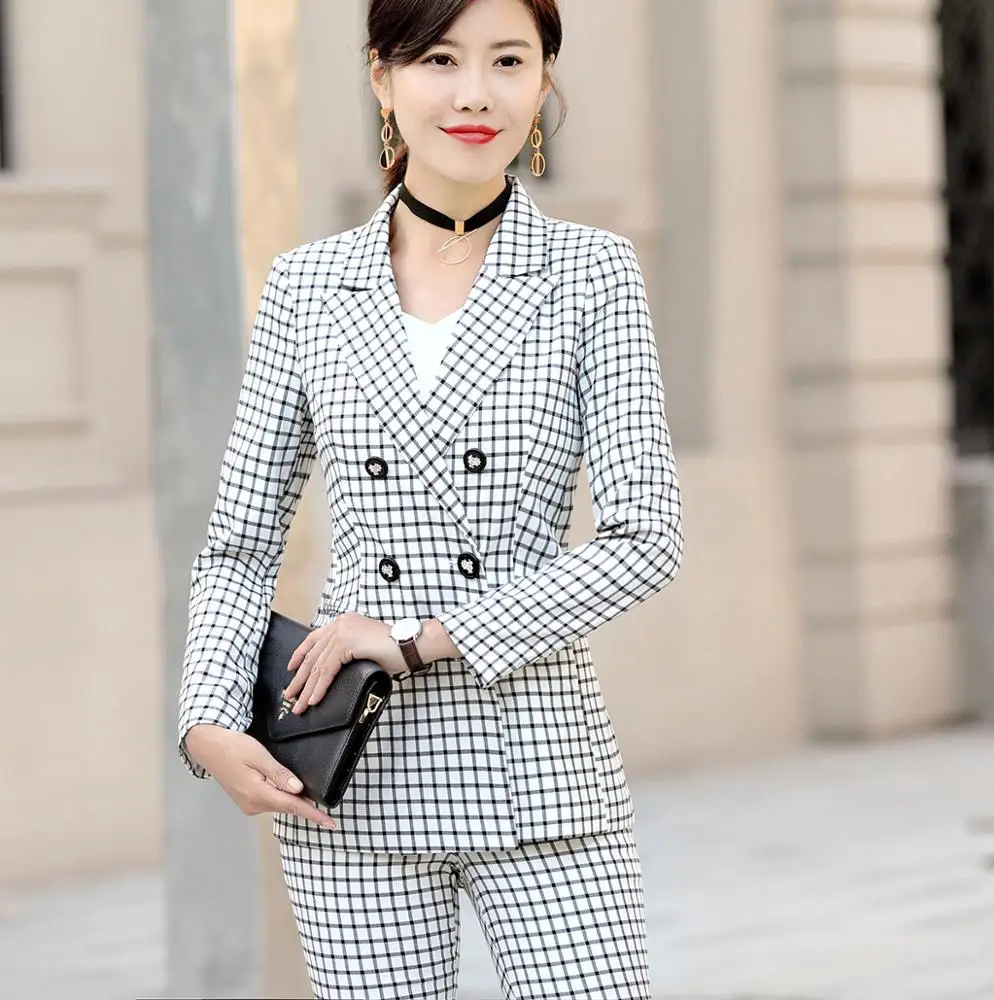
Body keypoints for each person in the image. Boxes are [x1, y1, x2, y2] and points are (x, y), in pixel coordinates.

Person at [178, 0, 683, 996]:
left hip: (540, 766)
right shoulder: (306, 288)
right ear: (382, 77)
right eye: (440, 60)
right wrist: (205, 721)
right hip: (353, 769)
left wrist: (418, 638)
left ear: (544, 79)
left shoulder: (592, 274)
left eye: (508, 61)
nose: (474, 94)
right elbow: (240, 540)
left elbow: (644, 538)